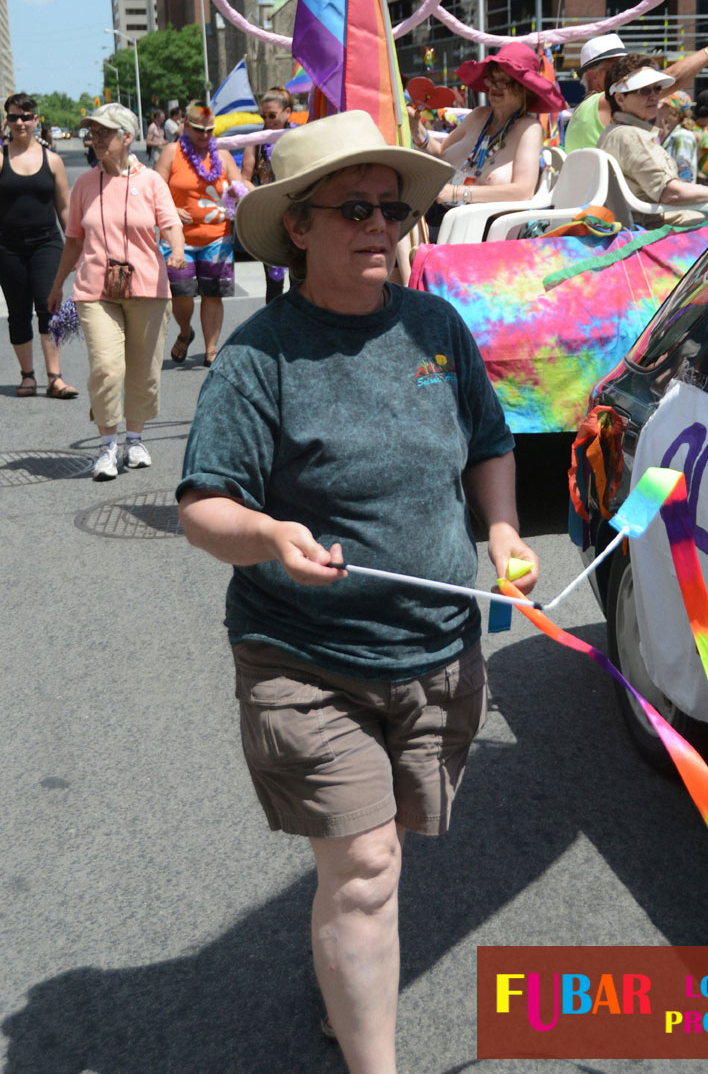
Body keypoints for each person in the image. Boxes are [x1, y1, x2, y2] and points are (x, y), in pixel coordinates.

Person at [176, 109, 540, 1073]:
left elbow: (491, 443)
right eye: (355, 209)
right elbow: (204, 506)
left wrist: (502, 532)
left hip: (436, 654)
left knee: (386, 855)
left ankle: (347, 989)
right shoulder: (258, 357)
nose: (382, 225)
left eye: (393, 209)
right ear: (298, 227)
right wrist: (269, 534)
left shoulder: (434, 325)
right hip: (304, 660)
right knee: (366, 865)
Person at [46, 104, 186, 480]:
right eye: (93, 131)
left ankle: (135, 439)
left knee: (144, 371)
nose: (96, 137)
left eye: (104, 131)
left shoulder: (151, 182)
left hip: (148, 287)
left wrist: (176, 250)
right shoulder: (85, 185)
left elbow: (171, 223)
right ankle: (108, 446)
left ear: (127, 137)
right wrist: (59, 284)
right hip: (95, 289)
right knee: (107, 368)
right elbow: (74, 240)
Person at [409, 42, 565, 238]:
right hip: (441, 216)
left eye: (504, 82)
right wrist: (416, 130)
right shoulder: (479, 115)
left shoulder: (528, 129)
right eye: (491, 80)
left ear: (525, 88)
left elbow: (522, 192)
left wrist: (457, 193)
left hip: (479, 229)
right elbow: (440, 153)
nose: (494, 88)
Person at [155, 101, 250, 366]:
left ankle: (211, 349)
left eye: (210, 131)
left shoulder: (222, 155)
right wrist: (171, 209)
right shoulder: (171, 152)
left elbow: (238, 184)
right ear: (186, 125)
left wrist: (240, 192)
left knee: (213, 294)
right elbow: (154, 190)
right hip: (177, 238)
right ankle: (185, 332)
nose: (205, 136)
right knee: (180, 293)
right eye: (199, 130)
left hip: (217, 237)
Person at [598, 55, 708, 227]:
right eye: (644, 90)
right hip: (660, 230)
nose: (654, 96)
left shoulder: (612, 132)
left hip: (650, 224)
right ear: (620, 99)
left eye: (657, 88)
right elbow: (670, 193)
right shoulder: (632, 136)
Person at [0, 92, 77, 398]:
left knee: (49, 306)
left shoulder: (53, 160)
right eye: (13, 116)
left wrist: (77, 245)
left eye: (26, 116)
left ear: (35, 119)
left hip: (47, 243)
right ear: (6, 120)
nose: (20, 122)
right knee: (18, 312)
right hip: (7, 247)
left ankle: (55, 377)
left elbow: (65, 209)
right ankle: (27, 376)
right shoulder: (1, 157)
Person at [566, 26, 708, 152]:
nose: (625, 73)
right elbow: (673, 78)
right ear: (593, 75)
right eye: (615, 67)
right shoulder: (606, 101)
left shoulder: (585, 109)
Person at [241, 87, 295, 304]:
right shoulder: (255, 140)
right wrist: (262, 197)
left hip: (296, 211)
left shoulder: (297, 137)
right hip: (269, 216)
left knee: (300, 279)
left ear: (287, 113)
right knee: (273, 284)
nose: (267, 120)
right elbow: (244, 178)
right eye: (264, 116)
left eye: (272, 115)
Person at [657, 90, 699, 183]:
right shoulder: (674, 133)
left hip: (680, 193)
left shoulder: (682, 135)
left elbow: (684, 171)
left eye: (664, 105)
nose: (660, 108)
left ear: (672, 109)